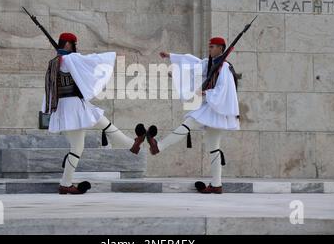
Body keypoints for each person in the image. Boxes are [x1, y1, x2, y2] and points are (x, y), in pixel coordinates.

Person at [131, 37, 240, 194]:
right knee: (214, 148)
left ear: (222, 48)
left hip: (217, 109)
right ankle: (216, 185)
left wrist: (205, 92)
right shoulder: (211, 63)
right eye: (209, 46)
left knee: (189, 124)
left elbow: (224, 89)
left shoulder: (225, 67)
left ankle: (158, 146)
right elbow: (193, 67)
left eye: (213, 47)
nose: (210, 49)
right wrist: (171, 58)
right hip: (211, 107)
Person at [42, 32, 144, 194]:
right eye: (73, 45)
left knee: (101, 120)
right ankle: (65, 183)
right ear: (68, 45)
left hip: (66, 107)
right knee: (77, 147)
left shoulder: (54, 62)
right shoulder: (70, 59)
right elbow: (92, 60)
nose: (75, 48)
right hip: (74, 107)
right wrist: (112, 56)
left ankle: (132, 145)